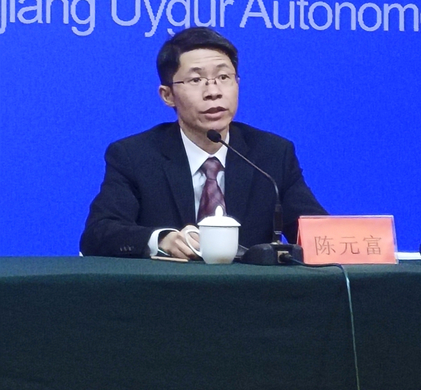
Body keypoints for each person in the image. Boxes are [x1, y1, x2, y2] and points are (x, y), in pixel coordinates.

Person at [80, 28, 327, 259]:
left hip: (252, 289)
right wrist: (160, 239)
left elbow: (318, 235)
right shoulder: (134, 156)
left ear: (237, 84)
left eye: (223, 77)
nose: (213, 92)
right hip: (167, 288)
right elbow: (97, 234)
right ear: (167, 95)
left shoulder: (272, 154)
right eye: (196, 80)